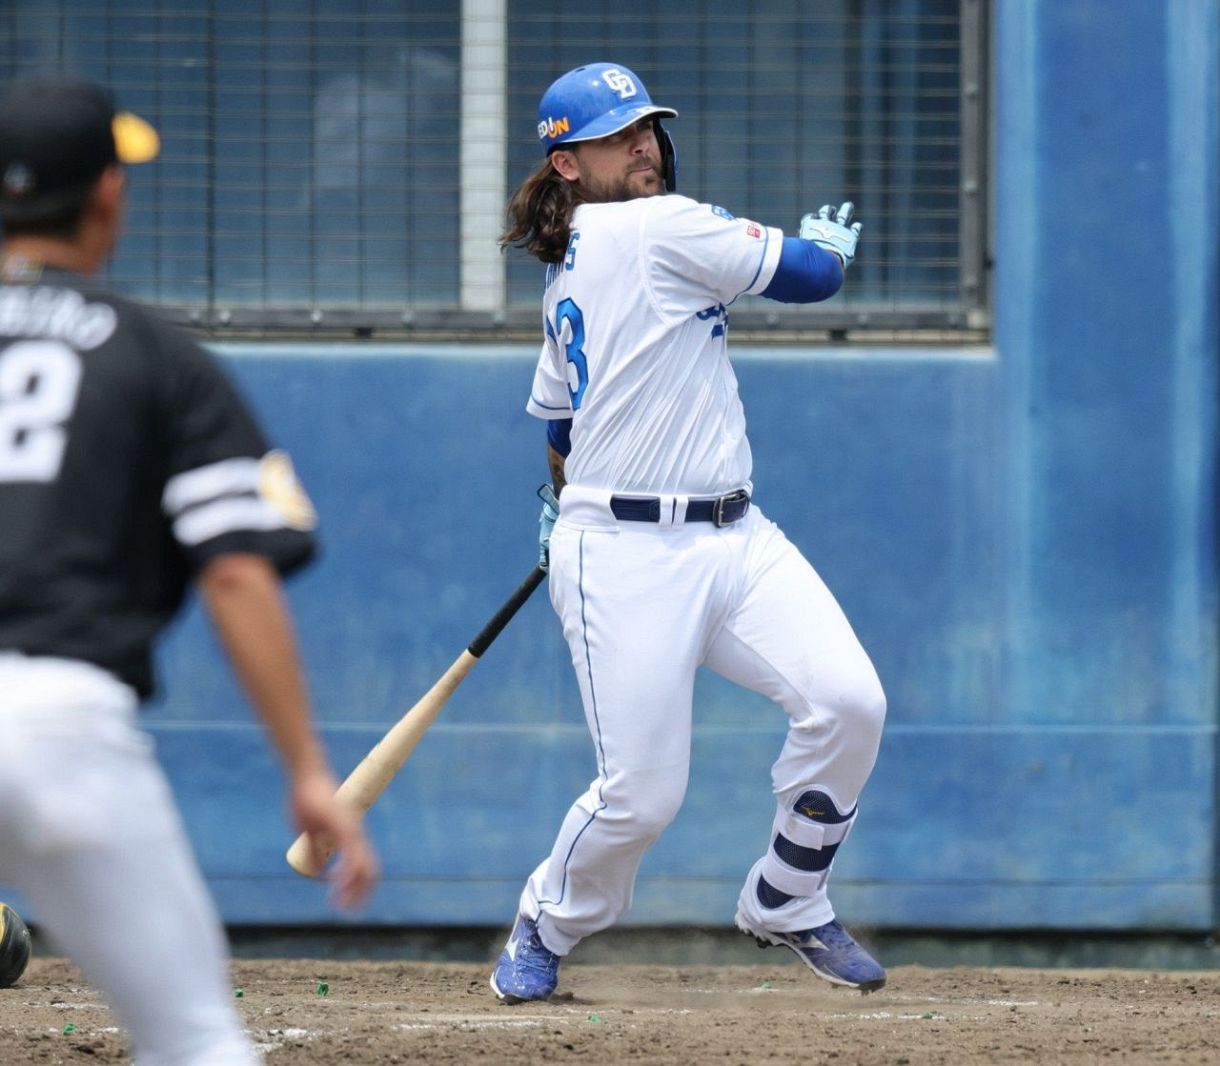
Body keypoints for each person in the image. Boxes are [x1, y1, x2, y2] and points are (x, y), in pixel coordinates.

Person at [491, 62, 887, 1003]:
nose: (644, 144)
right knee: (641, 795)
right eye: (616, 134)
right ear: (568, 163)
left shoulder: (571, 264)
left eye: (648, 128)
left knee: (848, 701)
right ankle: (547, 918)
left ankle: (790, 896)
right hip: (625, 556)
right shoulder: (652, 226)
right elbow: (810, 279)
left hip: (736, 535)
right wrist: (831, 250)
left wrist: (559, 488)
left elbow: (559, 425)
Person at [0, 79, 378, 1064]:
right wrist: (305, 770)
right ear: (107, 198)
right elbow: (236, 575)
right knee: (197, 1040)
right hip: (64, 724)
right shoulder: (154, 354)